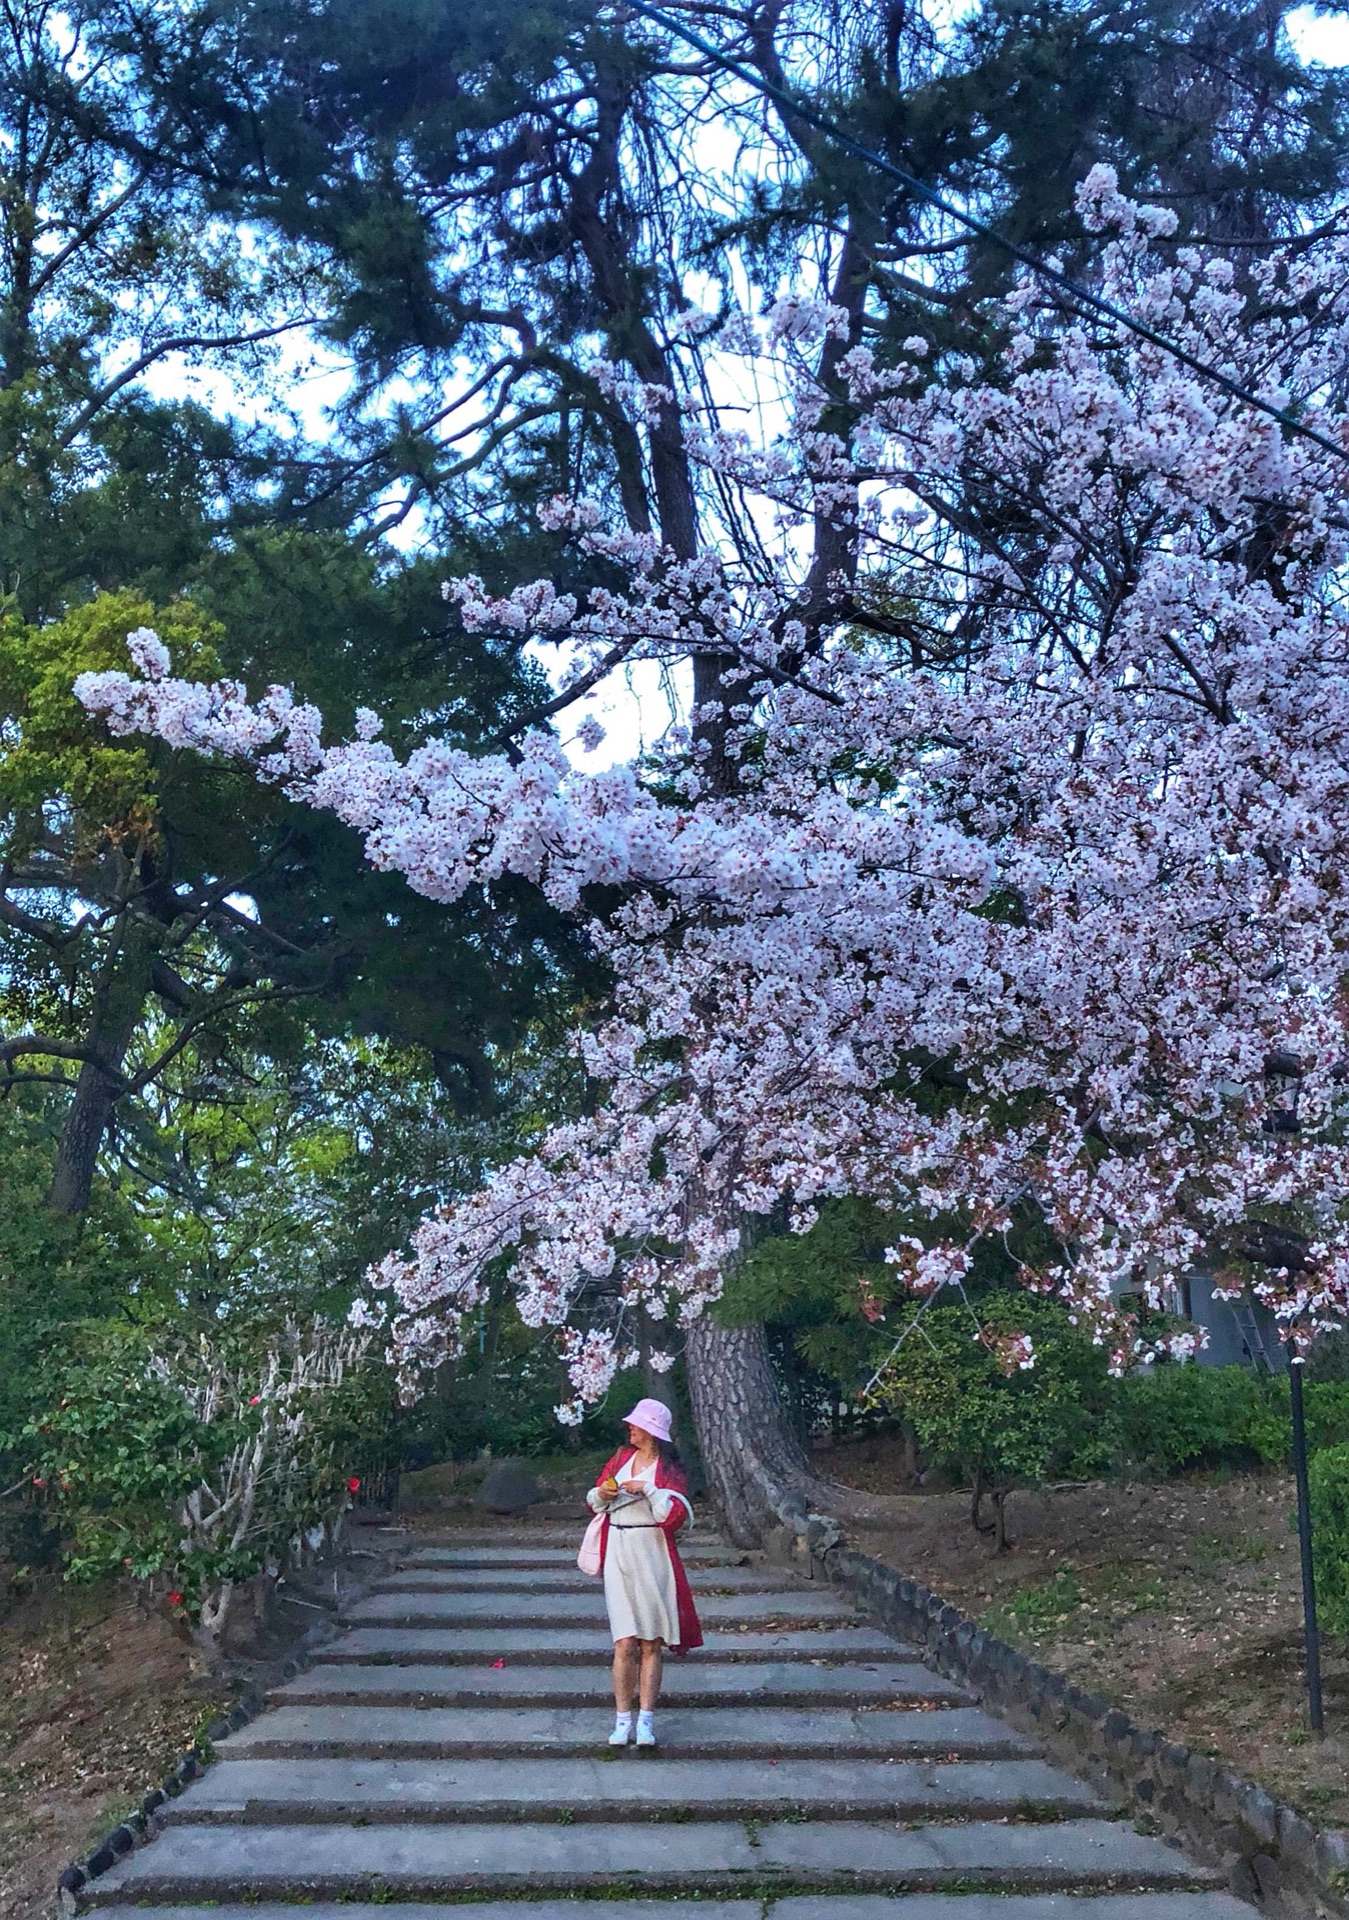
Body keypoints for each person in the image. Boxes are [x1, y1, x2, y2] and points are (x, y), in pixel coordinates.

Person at [586, 1397, 702, 1747]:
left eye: (637, 1424)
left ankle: (646, 1721)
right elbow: (594, 1499)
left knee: (650, 1641)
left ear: (652, 1431)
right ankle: (622, 1721)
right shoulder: (622, 1458)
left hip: (651, 1552)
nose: (630, 1428)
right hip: (619, 1549)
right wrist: (604, 1493)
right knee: (624, 1641)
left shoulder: (668, 1471)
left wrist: (648, 1489)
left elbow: (674, 1517)